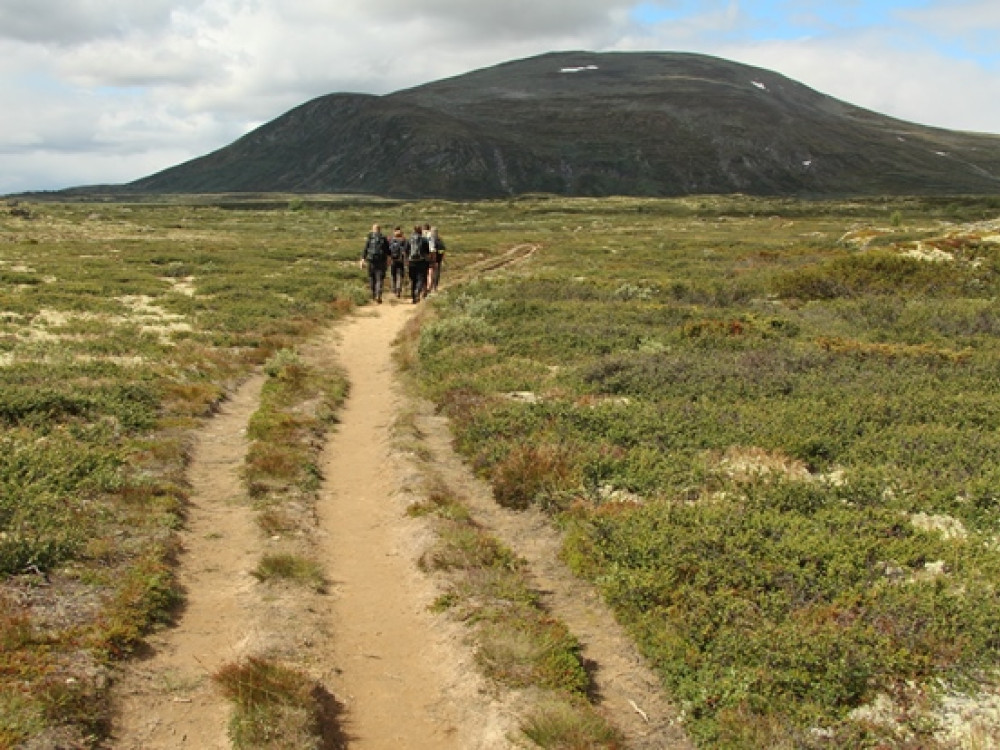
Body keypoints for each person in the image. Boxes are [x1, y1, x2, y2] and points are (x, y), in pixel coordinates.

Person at [360, 223, 389, 303]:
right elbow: (388, 250)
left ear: (373, 229)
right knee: (379, 278)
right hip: (381, 261)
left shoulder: (370, 238)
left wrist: (362, 259)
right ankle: (378, 294)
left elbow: (365, 249)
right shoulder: (383, 238)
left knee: (372, 277)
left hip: (371, 260)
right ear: (380, 229)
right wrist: (389, 260)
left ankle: (373, 294)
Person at [407, 224, 430, 303]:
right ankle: (417, 292)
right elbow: (427, 252)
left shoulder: (410, 239)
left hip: (411, 262)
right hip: (421, 262)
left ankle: (413, 297)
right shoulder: (424, 240)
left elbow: (406, 251)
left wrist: (407, 260)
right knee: (420, 278)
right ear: (420, 231)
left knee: (413, 280)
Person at [387, 227, 408, 299]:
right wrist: (406, 261)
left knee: (393, 275)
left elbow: (387, 250)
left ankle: (394, 290)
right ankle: (398, 290)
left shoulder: (390, 240)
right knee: (400, 275)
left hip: (392, 260)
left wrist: (388, 260)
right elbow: (406, 251)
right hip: (400, 260)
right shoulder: (404, 240)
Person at [428, 226, 446, 292]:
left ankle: (429, 286)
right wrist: (441, 257)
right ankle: (435, 287)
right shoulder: (440, 240)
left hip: (429, 259)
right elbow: (442, 250)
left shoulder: (429, 239)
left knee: (429, 274)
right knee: (436, 273)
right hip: (438, 259)